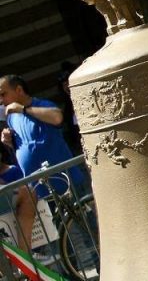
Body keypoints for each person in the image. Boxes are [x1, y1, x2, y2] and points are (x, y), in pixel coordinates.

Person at [0, 74, 84, 253]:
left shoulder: (42, 105)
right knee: (61, 238)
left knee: (84, 226)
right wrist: (9, 142)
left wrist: (23, 110)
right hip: (41, 189)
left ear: (19, 90)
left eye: (3, 94)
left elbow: (57, 118)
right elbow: (25, 147)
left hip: (66, 181)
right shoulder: (11, 118)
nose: (1, 100)